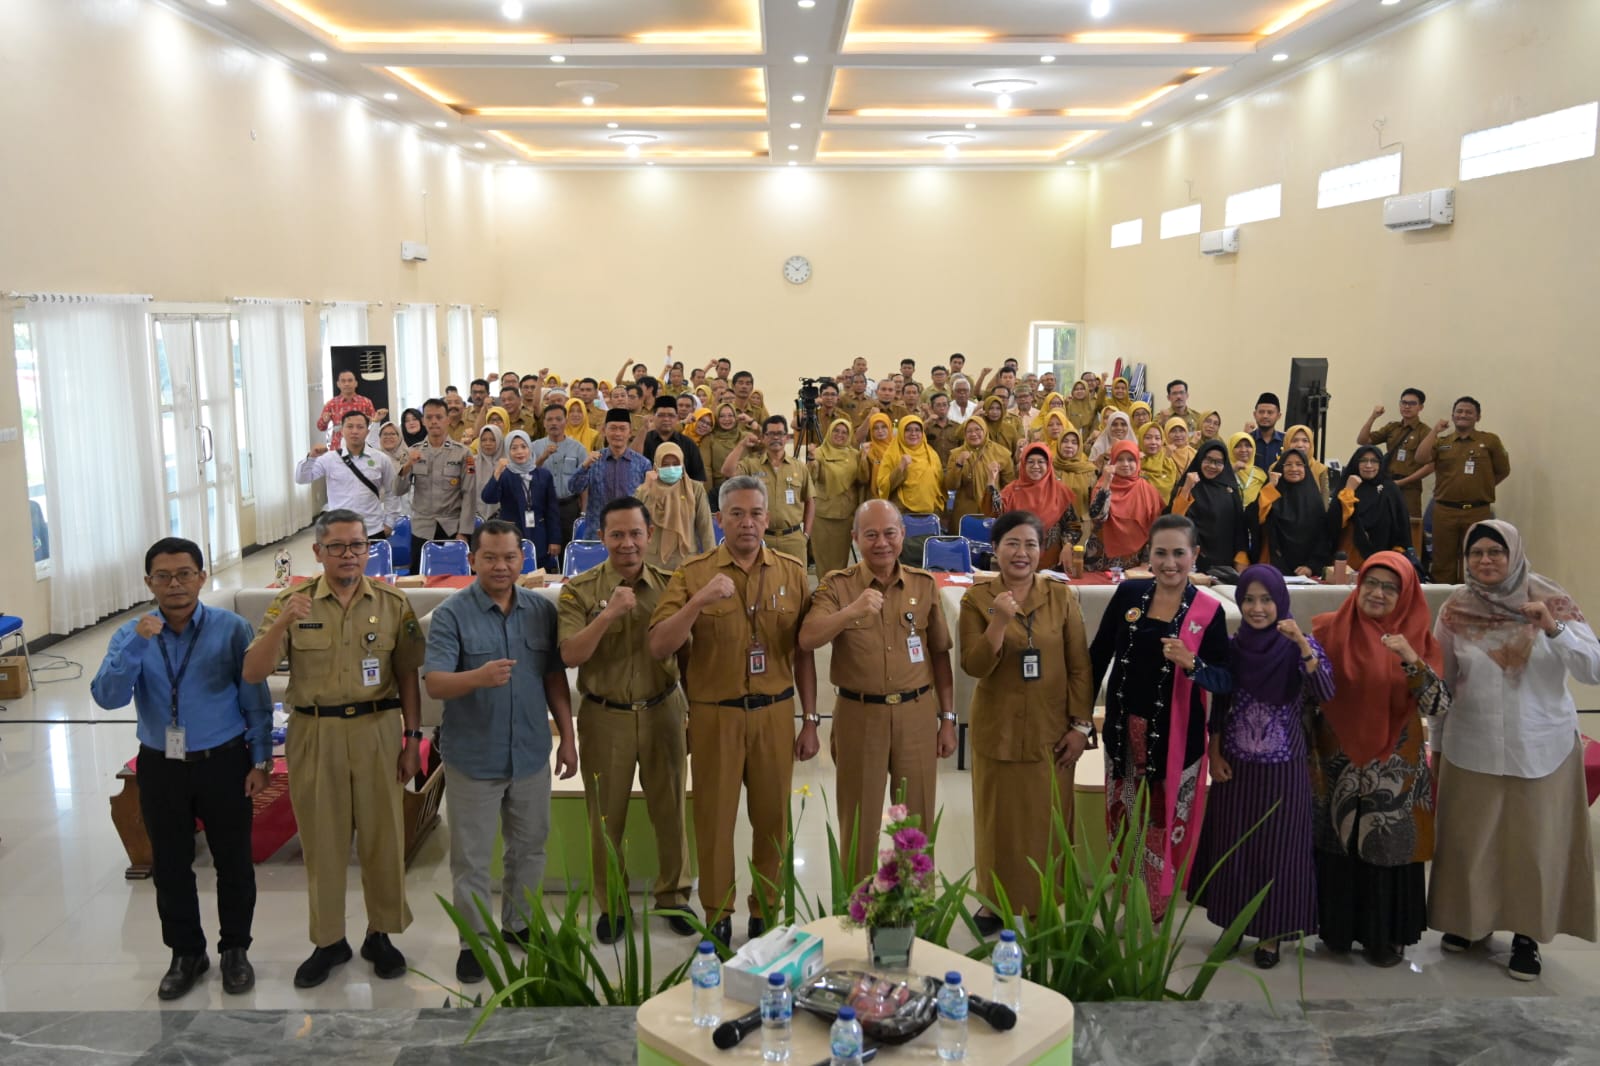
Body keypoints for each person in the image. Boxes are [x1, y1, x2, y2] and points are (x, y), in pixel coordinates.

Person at [241, 509, 426, 988]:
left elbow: (408, 672)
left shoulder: (392, 602)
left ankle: (380, 934)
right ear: (318, 551)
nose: (349, 555)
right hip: (316, 732)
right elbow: (253, 672)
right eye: (338, 546)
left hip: (378, 730)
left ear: (369, 549)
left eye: (358, 545)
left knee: (384, 838)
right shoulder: (292, 601)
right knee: (322, 842)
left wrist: (413, 738)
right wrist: (282, 624)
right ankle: (328, 941)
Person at [90, 538, 272, 1000]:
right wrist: (136, 644)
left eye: (185, 574)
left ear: (202, 577)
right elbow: (107, 697)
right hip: (161, 766)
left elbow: (255, 698)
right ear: (149, 582)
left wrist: (260, 759)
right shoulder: (133, 632)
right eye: (164, 576)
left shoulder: (231, 628)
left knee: (233, 862)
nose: (175, 584)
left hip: (224, 761)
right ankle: (186, 953)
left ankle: (235, 950)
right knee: (170, 865)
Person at [647, 475, 821, 945]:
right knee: (715, 819)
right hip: (715, 715)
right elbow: (659, 643)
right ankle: (718, 913)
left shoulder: (791, 571)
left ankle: (766, 911)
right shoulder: (693, 573)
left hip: (775, 714)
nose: (748, 523)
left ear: (769, 517)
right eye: (737, 514)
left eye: (757, 513)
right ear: (720, 519)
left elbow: (803, 652)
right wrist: (699, 602)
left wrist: (810, 720)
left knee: (771, 821)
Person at [1429, 521, 1598, 980]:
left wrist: (1554, 628)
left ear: (1515, 554)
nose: (1485, 561)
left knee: (1532, 848)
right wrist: (1437, 746)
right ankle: (1470, 924)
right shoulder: (1455, 609)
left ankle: (1526, 937)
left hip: (1539, 744)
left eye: (1496, 552)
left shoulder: (1550, 599)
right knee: (1472, 843)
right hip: (1472, 742)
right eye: (1476, 553)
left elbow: (1594, 669)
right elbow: (1441, 684)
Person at [422, 520, 577, 983]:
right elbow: (434, 682)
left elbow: (554, 679)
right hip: (474, 757)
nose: (501, 566)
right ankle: (473, 941)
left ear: (521, 559)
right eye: (490, 557)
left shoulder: (539, 610)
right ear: (473, 560)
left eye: (510, 557)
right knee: (470, 858)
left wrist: (567, 737)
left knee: (528, 849)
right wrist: (478, 677)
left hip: (530, 751)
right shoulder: (451, 614)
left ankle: (520, 924)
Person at [558, 497, 697, 942]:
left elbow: (691, 653)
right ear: (601, 538)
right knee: (605, 817)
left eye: (635, 533)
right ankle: (613, 905)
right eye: (616, 534)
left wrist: (690, 711)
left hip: (663, 710)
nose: (627, 543)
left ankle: (674, 896)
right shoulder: (577, 590)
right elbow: (571, 654)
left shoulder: (672, 585)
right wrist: (610, 613)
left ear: (649, 535)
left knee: (671, 809)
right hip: (605, 716)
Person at [800, 500, 957, 885]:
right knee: (860, 820)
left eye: (890, 533)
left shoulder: (923, 584)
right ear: (855, 539)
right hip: (860, 715)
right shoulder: (837, 586)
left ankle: (914, 905)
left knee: (914, 821)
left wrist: (948, 719)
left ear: (903, 535)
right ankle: (859, 909)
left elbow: (939, 655)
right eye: (870, 534)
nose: (881, 543)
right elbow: (807, 638)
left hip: (917, 715)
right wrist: (852, 611)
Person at [1089, 515, 1233, 920]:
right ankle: (1126, 894)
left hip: (1175, 738)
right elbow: (1098, 656)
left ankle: (1154, 905)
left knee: (1161, 820)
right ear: (1148, 555)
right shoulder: (1129, 595)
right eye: (1160, 553)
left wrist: (1194, 664)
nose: (1170, 563)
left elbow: (1225, 679)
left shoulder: (1209, 611)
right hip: (1122, 730)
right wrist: (1082, 717)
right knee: (1122, 816)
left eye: (1179, 554)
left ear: (1195, 556)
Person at [956, 510, 1093, 933]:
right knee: (996, 821)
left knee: (1048, 819)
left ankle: (1044, 900)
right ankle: (993, 901)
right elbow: (975, 665)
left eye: (1030, 544)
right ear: (995, 550)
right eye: (1012, 543)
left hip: (1051, 730)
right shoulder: (976, 599)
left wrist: (1081, 726)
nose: (1022, 553)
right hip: (998, 728)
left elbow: (1079, 666)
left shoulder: (1060, 596)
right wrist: (999, 619)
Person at [1309, 551, 1445, 967]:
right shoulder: (1329, 630)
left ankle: (1385, 938)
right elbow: (1307, 691)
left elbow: (1438, 704)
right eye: (1371, 583)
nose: (1378, 593)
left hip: (1395, 768)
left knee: (1387, 847)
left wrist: (1410, 660)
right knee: (1338, 841)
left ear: (1406, 595)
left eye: (1391, 587)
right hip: (1338, 761)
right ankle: (1338, 930)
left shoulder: (1419, 640)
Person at [1191, 565, 1332, 968]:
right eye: (1249, 599)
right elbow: (1221, 702)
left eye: (1266, 599)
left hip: (1283, 771)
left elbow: (1326, 690)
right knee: (1234, 849)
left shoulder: (1297, 646)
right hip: (1235, 769)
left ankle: (1271, 935)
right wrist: (1214, 752)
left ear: (1280, 602)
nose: (1257, 608)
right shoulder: (1234, 648)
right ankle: (1233, 927)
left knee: (1279, 853)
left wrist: (1303, 646)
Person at [1416, 396, 1511, 584]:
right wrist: (1434, 431)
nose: (1463, 415)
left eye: (1469, 412)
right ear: (1453, 415)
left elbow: (1503, 471)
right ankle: (1444, 606)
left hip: (1477, 510)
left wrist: (1480, 488)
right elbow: (1420, 458)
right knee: (1443, 563)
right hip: (1444, 511)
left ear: (1478, 417)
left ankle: (1473, 605)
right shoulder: (1442, 442)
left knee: (1475, 561)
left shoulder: (1489, 441)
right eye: (1459, 411)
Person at [724, 415, 815, 562]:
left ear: (786, 437)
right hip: (762, 538)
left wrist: (806, 535)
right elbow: (727, 472)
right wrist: (742, 445)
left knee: (795, 584)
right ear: (763, 437)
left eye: (780, 433)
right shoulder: (751, 465)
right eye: (771, 434)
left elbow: (810, 501)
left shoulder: (799, 467)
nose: (776, 438)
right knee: (762, 583)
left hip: (794, 540)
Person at [296, 411, 395, 538]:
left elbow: (392, 492)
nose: (354, 431)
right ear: (342, 430)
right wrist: (311, 457)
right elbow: (302, 478)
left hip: (372, 529)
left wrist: (389, 522)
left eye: (360, 427)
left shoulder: (381, 459)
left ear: (367, 431)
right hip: (339, 530)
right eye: (349, 426)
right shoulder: (329, 459)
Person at [1357, 389, 1434, 550]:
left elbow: (1431, 465)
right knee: (1383, 525)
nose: (1407, 407)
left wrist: (1402, 482)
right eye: (1403, 402)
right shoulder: (1393, 427)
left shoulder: (1425, 432)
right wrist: (1373, 416)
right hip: (1387, 484)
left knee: (1410, 528)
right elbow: (1363, 441)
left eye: (1412, 403)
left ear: (1421, 407)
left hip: (1409, 488)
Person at [481, 430, 562, 571]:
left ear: (530, 448)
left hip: (539, 535)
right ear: (508, 450)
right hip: (511, 535)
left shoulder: (543, 475)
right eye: (514, 448)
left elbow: (552, 509)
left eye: (523, 447)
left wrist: (554, 539)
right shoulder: (505, 474)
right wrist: (497, 472)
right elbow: (488, 497)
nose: (519, 452)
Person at [1168, 439, 1251, 574]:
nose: (1212, 466)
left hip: (1225, 565)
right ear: (1200, 459)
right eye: (1208, 460)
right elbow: (1176, 520)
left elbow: (1239, 528)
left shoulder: (1230, 489)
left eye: (1218, 462)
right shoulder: (1189, 486)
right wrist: (1187, 488)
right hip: (1192, 564)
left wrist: (1241, 560)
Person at [1082, 440, 1163, 572]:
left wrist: (1145, 562)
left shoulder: (1148, 490)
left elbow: (1154, 529)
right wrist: (1107, 481)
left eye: (1131, 460)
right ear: (1112, 461)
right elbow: (1098, 518)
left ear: (1137, 462)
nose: (1125, 464)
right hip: (1100, 561)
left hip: (1134, 563)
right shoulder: (1102, 485)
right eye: (1120, 459)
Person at [634, 442, 715, 570]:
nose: (671, 468)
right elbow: (633, 518)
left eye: (675, 464)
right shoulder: (646, 489)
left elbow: (705, 527)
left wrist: (712, 561)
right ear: (656, 465)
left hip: (687, 561)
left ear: (682, 465)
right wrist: (646, 487)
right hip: (653, 563)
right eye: (665, 464)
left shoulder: (695, 489)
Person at [1000, 443, 1080, 570]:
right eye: (1030, 462)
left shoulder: (1060, 491)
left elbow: (1073, 525)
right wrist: (990, 481)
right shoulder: (1011, 491)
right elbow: (998, 520)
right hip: (1018, 560)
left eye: (1041, 462)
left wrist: (1068, 545)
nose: (1035, 466)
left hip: (1053, 563)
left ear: (1048, 465)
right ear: (1023, 464)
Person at [1329, 446, 1412, 569]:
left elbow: (1402, 524)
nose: (1368, 465)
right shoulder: (1348, 485)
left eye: (1374, 461)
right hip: (1350, 557)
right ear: (1356, 463)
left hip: (1385, 558)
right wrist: (1349, 490)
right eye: (1363, 461)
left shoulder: (1390, 489)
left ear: (1381, 464)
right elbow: (1333, 523)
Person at [571, 408, 654, 530]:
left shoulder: (642, 463)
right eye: (613, 428)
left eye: (622, 429)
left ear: (630, 432)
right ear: (604, 431)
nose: (618, 434)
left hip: (630, 529)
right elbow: (574, 488)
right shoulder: (594, 460)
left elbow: (648, 499)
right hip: (598, 530)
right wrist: (584, 466)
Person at [406, 398, 476, 543]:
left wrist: (464, 532)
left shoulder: (464, 453)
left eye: (439, 417)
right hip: (421, 529)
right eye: (429, 417)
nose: (434, 421)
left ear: (448, 420)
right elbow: (397, 490)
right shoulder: (413, 451)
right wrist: (408, 465)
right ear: (423, 420)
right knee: (419, 566)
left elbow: (469, 494)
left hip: (452, 527)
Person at [809, 416, 872, 576]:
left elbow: (863, 479)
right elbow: (811, 477)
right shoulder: (818, 452)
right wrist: (812, 462)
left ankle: (839, 593)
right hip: (822, 514)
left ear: (850, 435)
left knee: (840, 560)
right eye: (836, 430)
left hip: (845, 515)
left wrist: (864, 458)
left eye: (845, 432)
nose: (840, 434)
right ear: (830, 432)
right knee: (822, 559)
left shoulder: (855, 454)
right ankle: (824, 593)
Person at [1253, 451, 1329, 577]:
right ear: (1280, 468)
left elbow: (1323, 537)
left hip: (1306, 573)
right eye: (1288, 464)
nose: (1294, 469)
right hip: (1273, 568)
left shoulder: (1314, 500)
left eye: (1299, 464)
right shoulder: (1271, 493)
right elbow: (1256, 518)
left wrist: (1311, 566)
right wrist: (1271, 486)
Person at [873, 416, 943, 546]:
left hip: (929, 514)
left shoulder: (931, 453)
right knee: (904, 554)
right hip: (902, 513)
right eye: (908, 430)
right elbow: (882, 485)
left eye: (917, 430)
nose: (913, 434)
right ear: (901, 432)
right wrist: (900, 467)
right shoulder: (892, 454)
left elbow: (939, 483)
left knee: (926, 553)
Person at [535, 403, 591, 545]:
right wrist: (543, 457)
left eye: (558, 419)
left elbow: (584, 483)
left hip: (569, 506)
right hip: (542, 505)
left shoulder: (578, 448)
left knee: (568, 545)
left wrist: (583, 512)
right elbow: (528, 476)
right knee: (543, 547)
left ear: (565, 421)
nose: (554, 423)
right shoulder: (534, 447)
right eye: (550, 419)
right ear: (544, 423)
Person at [943, 417, 1010, 533]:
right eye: (969, 431)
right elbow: (950, 486)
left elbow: (1009, 485)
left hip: (992, 511)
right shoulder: (956, 454)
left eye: (978, 429)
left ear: (985, 431)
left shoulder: (1001, 453)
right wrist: (958, 464)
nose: (973, 434)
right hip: (964, 512)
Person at [640, 394, 709, 484]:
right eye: (661, 415)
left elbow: (698, 478)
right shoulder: (644, 440)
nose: (666, 419)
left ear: (677, 418)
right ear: (653, 417)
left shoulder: (688, 444)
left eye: (671, 415)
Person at [317, 369, 385, 450]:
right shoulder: (331, 404)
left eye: (350, 380)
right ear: (338, 384)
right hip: (338, 447)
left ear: (356, 383)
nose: (347, 384)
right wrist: (325, 421)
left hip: (361, 446)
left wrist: (371, 420)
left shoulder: (366, 402)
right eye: (343, 381)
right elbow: (320, 427)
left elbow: (374, 425)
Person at [700, 402, 745, 504]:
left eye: (730, 415)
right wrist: (708, 495)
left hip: (746, 488)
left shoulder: (745, 437)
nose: (727, 419)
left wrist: (752, 423)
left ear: (736, 417)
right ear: (716, 418)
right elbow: (706, 469)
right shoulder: (709, 439)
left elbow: (764, 445)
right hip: (720, 490)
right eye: (722, 416)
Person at [376, 422, 414, 530]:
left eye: (392, 434)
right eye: (385, 434)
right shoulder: (374, 459)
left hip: (408, 510)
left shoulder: (410, 456)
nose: (388, 437)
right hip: (382, 511)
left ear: (399, 436)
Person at [1138, 421, 1180, 503]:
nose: (1153, 442)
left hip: (1164, 512)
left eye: (1157, 438)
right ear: (1140, 439)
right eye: (1148, 438)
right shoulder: (1134, 462)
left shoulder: (1168, 463)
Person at [1282, 424, 1330, 496]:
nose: (1300, 445)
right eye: (1294, 440)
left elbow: (1324, 504)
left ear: (1311, 444)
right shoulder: (1276, 468)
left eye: (1305, 441)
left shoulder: (1320, 469)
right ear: (1286, 442)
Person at [472, 425, 504, 523]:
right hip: (474, 516)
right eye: (484, 440)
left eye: (492, 440)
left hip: (501, 517)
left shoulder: (506, 464)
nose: (488, 443)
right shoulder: (471, 462)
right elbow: (467, 485)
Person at [1229, 432, 1269, 507]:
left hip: (1253, 517)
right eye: (1237, 446)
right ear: (1230, 449)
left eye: (1248, 446)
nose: (1243, 450)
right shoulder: (1223, 471)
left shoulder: (1260, 474)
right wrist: (1231, 471)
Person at [1247, 393, 1285, 472]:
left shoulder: (1286, 441)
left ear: (1279, 416)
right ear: (1255, 414)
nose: (1265, 416)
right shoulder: (1247, 441)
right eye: (1261, 412)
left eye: (1270, 412)